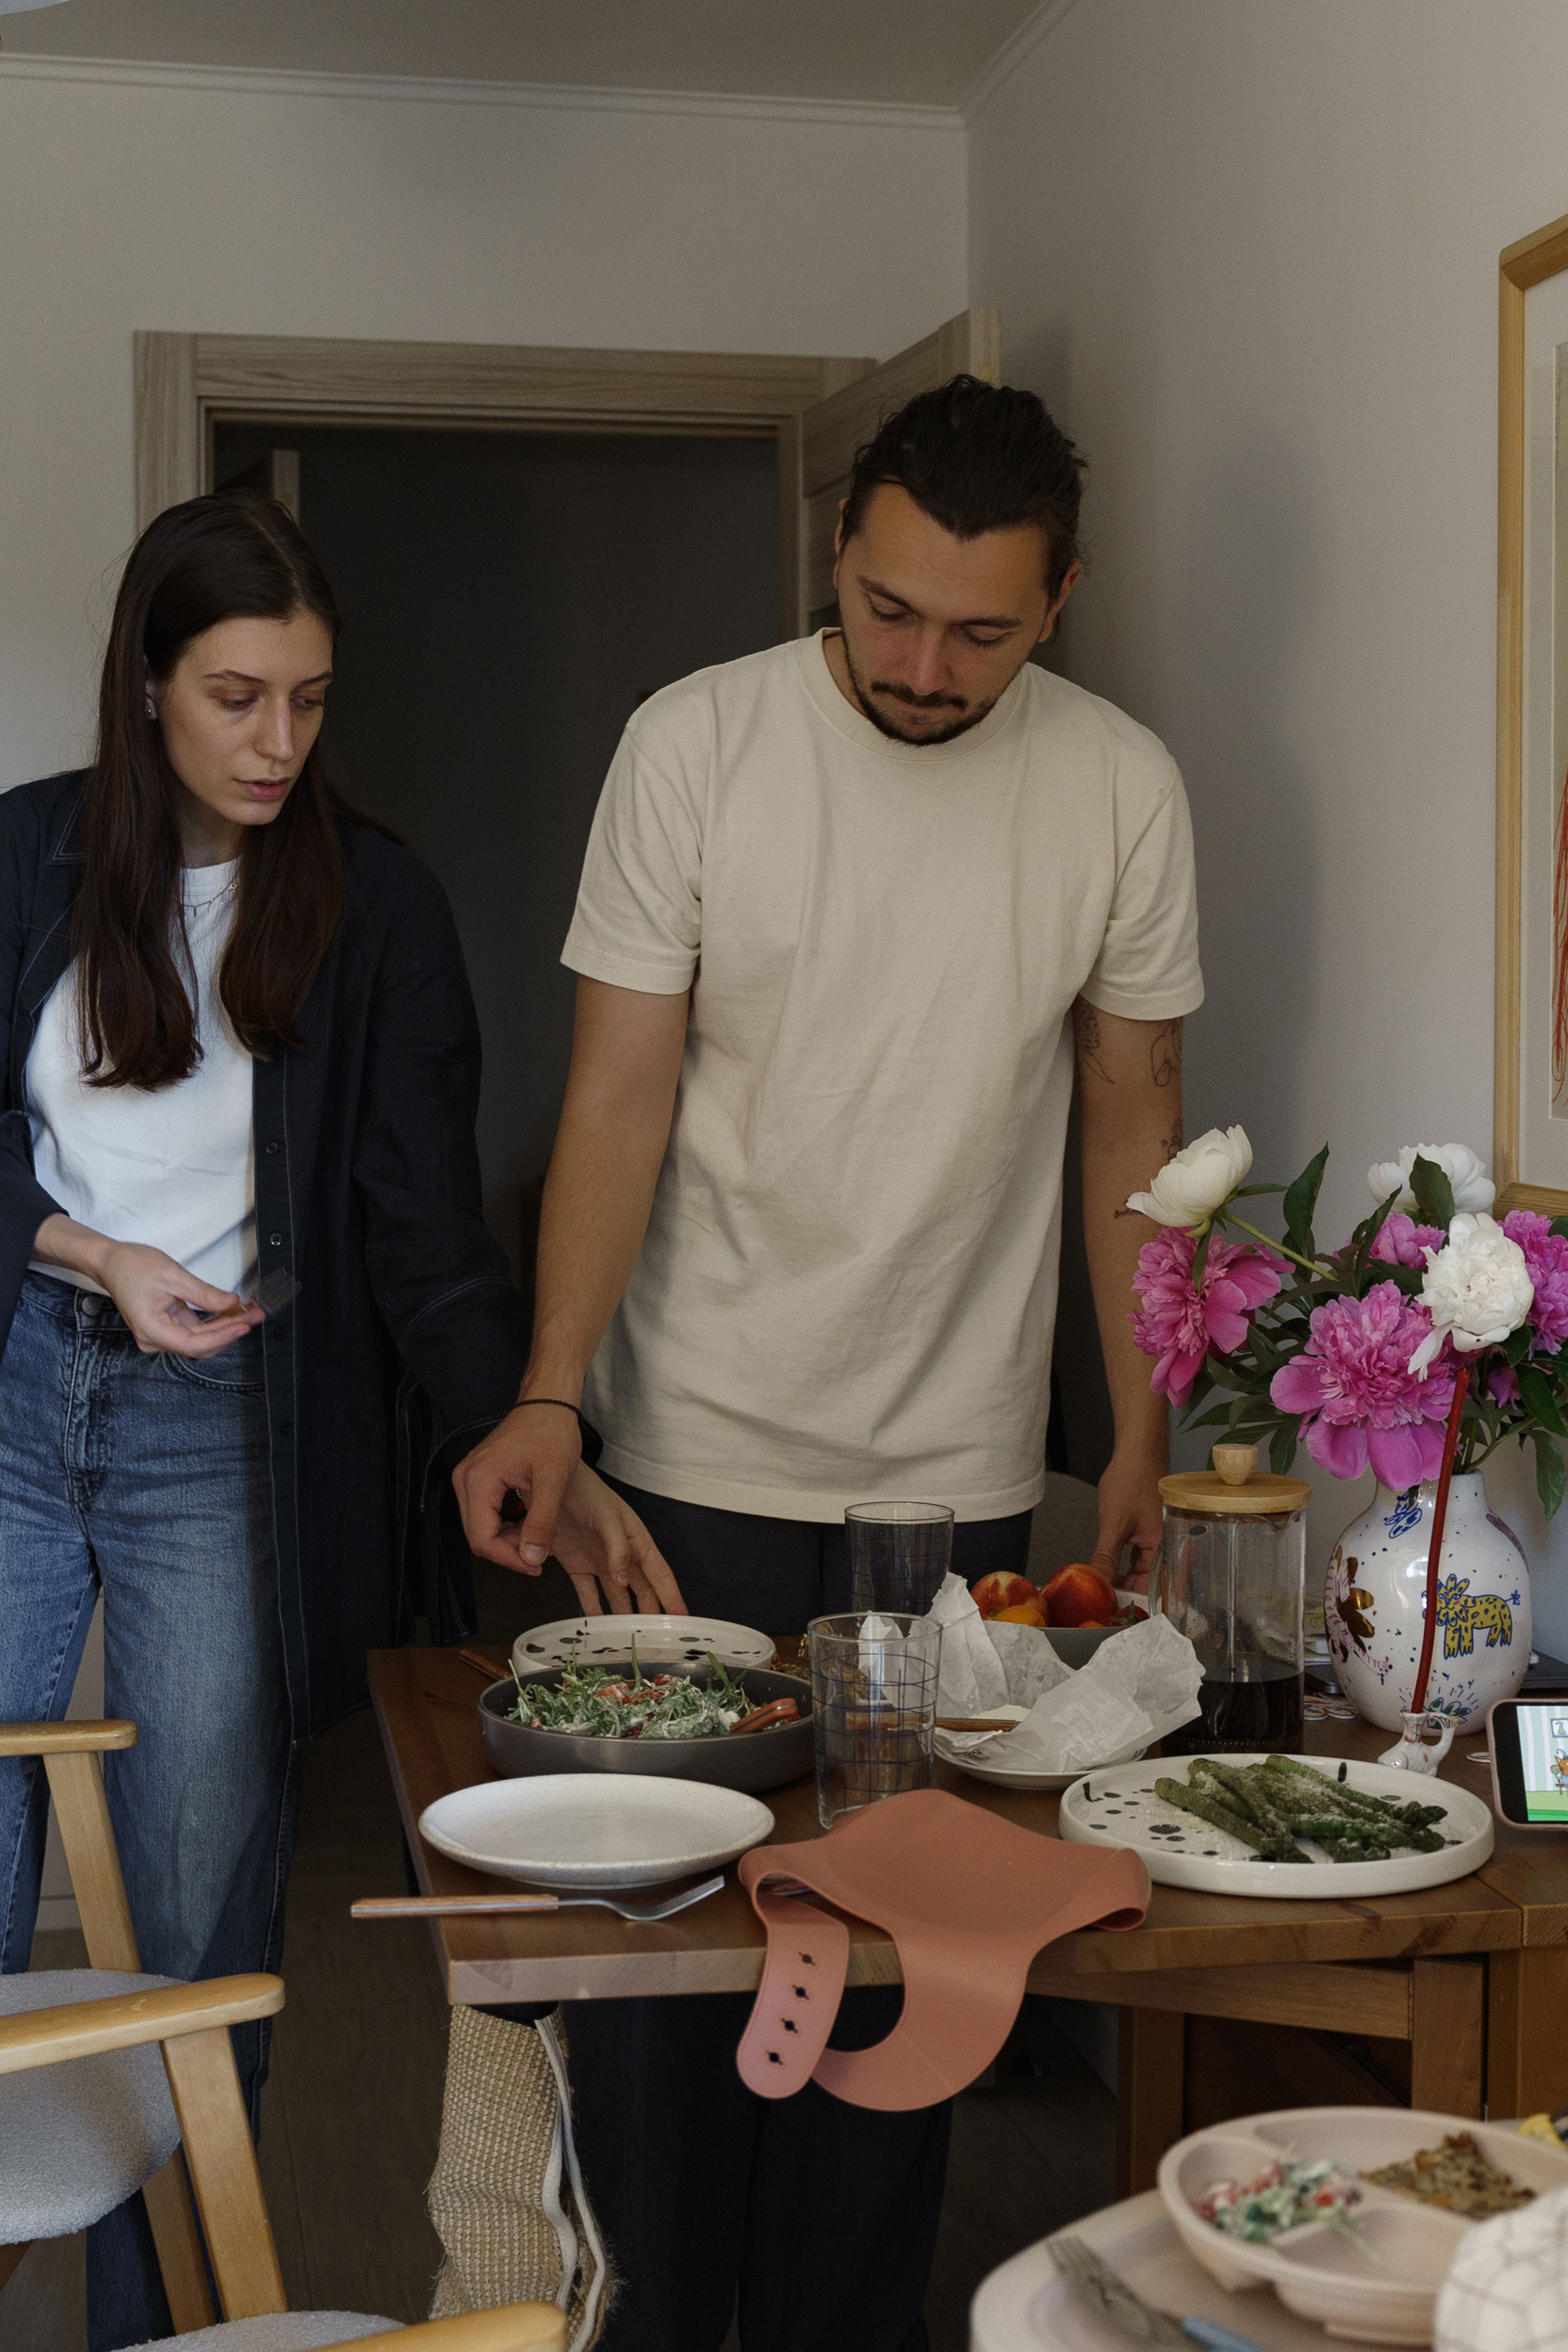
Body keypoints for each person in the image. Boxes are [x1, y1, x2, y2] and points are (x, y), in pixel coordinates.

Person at [454, 376, 1202, 2350]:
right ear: (838, 557)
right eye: (884, 610)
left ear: (1060, 604)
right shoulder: (695, 746)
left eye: (981, 630)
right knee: (673, 1987)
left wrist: (1144, 1430)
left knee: (906, 1981)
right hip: (690, 1461)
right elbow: (614, 1096)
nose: (923, 666)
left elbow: (1132, 1110)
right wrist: (555, 1389)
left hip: (949, 1490)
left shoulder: (1120, 782)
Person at [0, 491, 676, 2352]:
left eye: (307, 700)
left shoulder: (380, 908)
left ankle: (158, 2324)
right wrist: (92, 1250)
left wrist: (537, 1421)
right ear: (147, 688)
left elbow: (421, 1234)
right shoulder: (22, 860)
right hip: (20, 1371)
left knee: (202, 1908)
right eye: (234, 698)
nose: (276, 744)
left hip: (226, 1426)